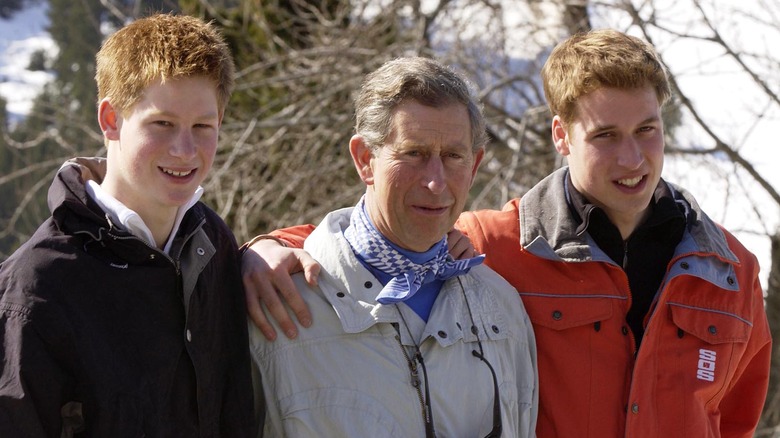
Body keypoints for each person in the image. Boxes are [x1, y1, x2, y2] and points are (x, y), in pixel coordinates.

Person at [242, 29, 772, 437]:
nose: (631, 158)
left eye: (646, 131)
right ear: (561, 135)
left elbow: (736, 418)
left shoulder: (732, 270)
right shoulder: (497, 244)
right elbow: (386, 236)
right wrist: (265, 248)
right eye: (605, 135)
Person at [248, 56, 538, 437]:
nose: (436, 182)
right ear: (365, 160)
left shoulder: (502, 309)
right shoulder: (277, 302)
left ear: (476, 164)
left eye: (453, 156)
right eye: (413, 153)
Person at [0, 14, 255, 436]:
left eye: (203, 126)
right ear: (111, 120)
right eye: (163, 124)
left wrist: (269, 247)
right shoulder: (37, 285)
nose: (185, 149)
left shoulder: (213, 244)